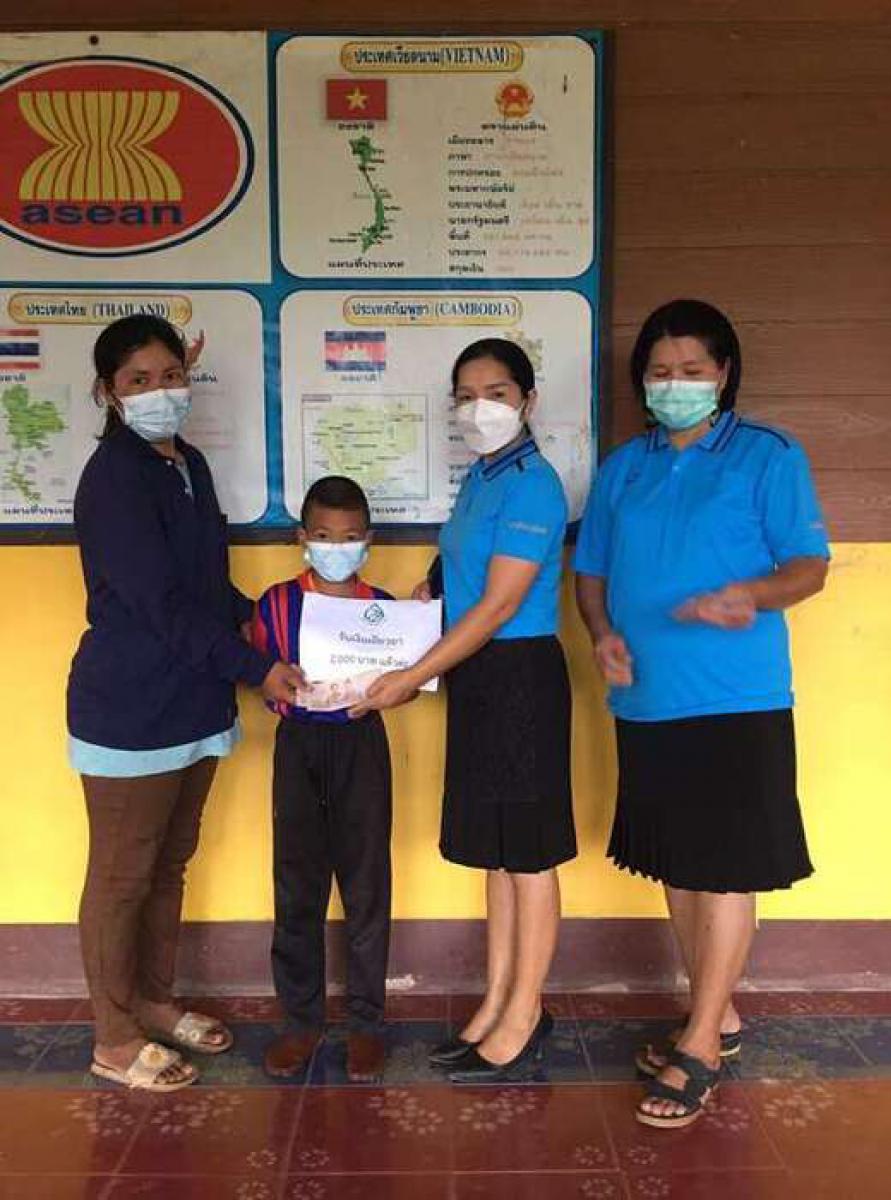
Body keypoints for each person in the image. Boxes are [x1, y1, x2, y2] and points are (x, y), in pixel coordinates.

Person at [574, 298, 829, 1128]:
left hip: (735, 698)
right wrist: (603, 635)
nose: (673, 384)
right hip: (646, 699)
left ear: (723, 374)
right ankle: (714, 1013)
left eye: (691, 370)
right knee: (681, 865)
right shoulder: (624, 468)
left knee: (725, 869)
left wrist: (750, 595)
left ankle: (702, 1047)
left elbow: (809, 566)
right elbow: (591, 573)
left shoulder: (768, 455)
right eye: (659, 372)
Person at [68, 315, 303, 1092]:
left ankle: (152, 1002)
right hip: (131, 708)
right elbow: (162, 607)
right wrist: (258, 667)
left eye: (170, 375)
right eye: (138, 380)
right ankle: (113, 1038)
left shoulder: (189, 464)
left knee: (167, 864)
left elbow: (203, 585)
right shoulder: (115, 478)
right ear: (109, 392)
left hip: (195, 700)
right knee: (122, 876)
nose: (159, 391)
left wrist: (267, 623)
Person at [351, 338, 576, 1083]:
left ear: (528, 400)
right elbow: (464, 565)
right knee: (498, 853)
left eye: (498, 393)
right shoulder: (483, 476)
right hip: (478, 677)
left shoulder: (535, 485)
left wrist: (412, 674)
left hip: (519, 677)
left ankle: (526, 1012)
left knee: (530, 856)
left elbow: (501, 604)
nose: (481, 409)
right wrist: (431, 588)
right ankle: (497, 1000)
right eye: (467, 396)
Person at [251, 476, 394, 1083]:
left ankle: (366, 1024)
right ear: (302, 538)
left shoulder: (384, 609)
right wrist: (274, 684)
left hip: (361, 745)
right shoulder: (275, 604)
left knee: (366, 884)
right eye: (325, 536)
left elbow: (405, 678)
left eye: (351, 536)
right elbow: (258, 673)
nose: (338, 547)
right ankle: (301, 1021)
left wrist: (393, 691)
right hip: (299, 747)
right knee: (296, 884)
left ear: (369, 540)